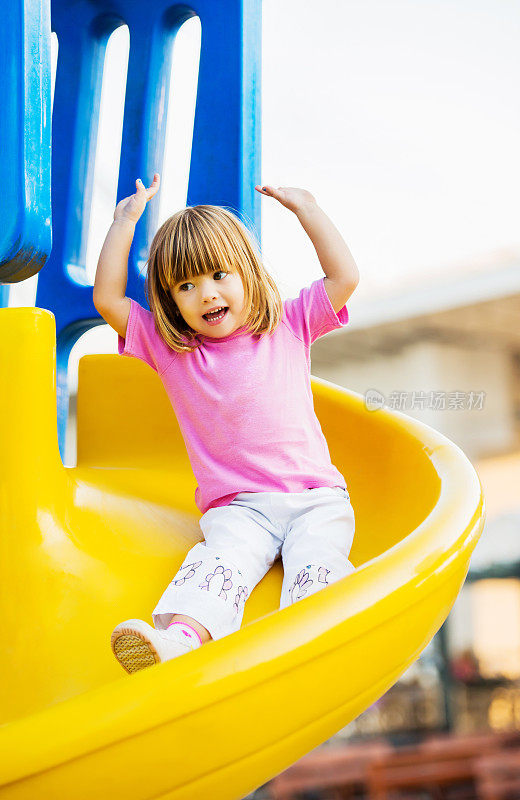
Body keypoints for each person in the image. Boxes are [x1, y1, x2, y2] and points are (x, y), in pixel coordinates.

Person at [93, 173, 360, 674]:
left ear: (246, 272)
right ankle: (177, 643)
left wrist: (309, 210)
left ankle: (317, 630)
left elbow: (343, 279)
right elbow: (108, 300)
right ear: (171, 302)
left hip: (316, 497)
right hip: (241, 510)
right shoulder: (174, 350)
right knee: (217, 570)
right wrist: (123, 223)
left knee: (316, 565)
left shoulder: (287, 323)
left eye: (218, 275)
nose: (206, 294)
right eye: (186, 286)